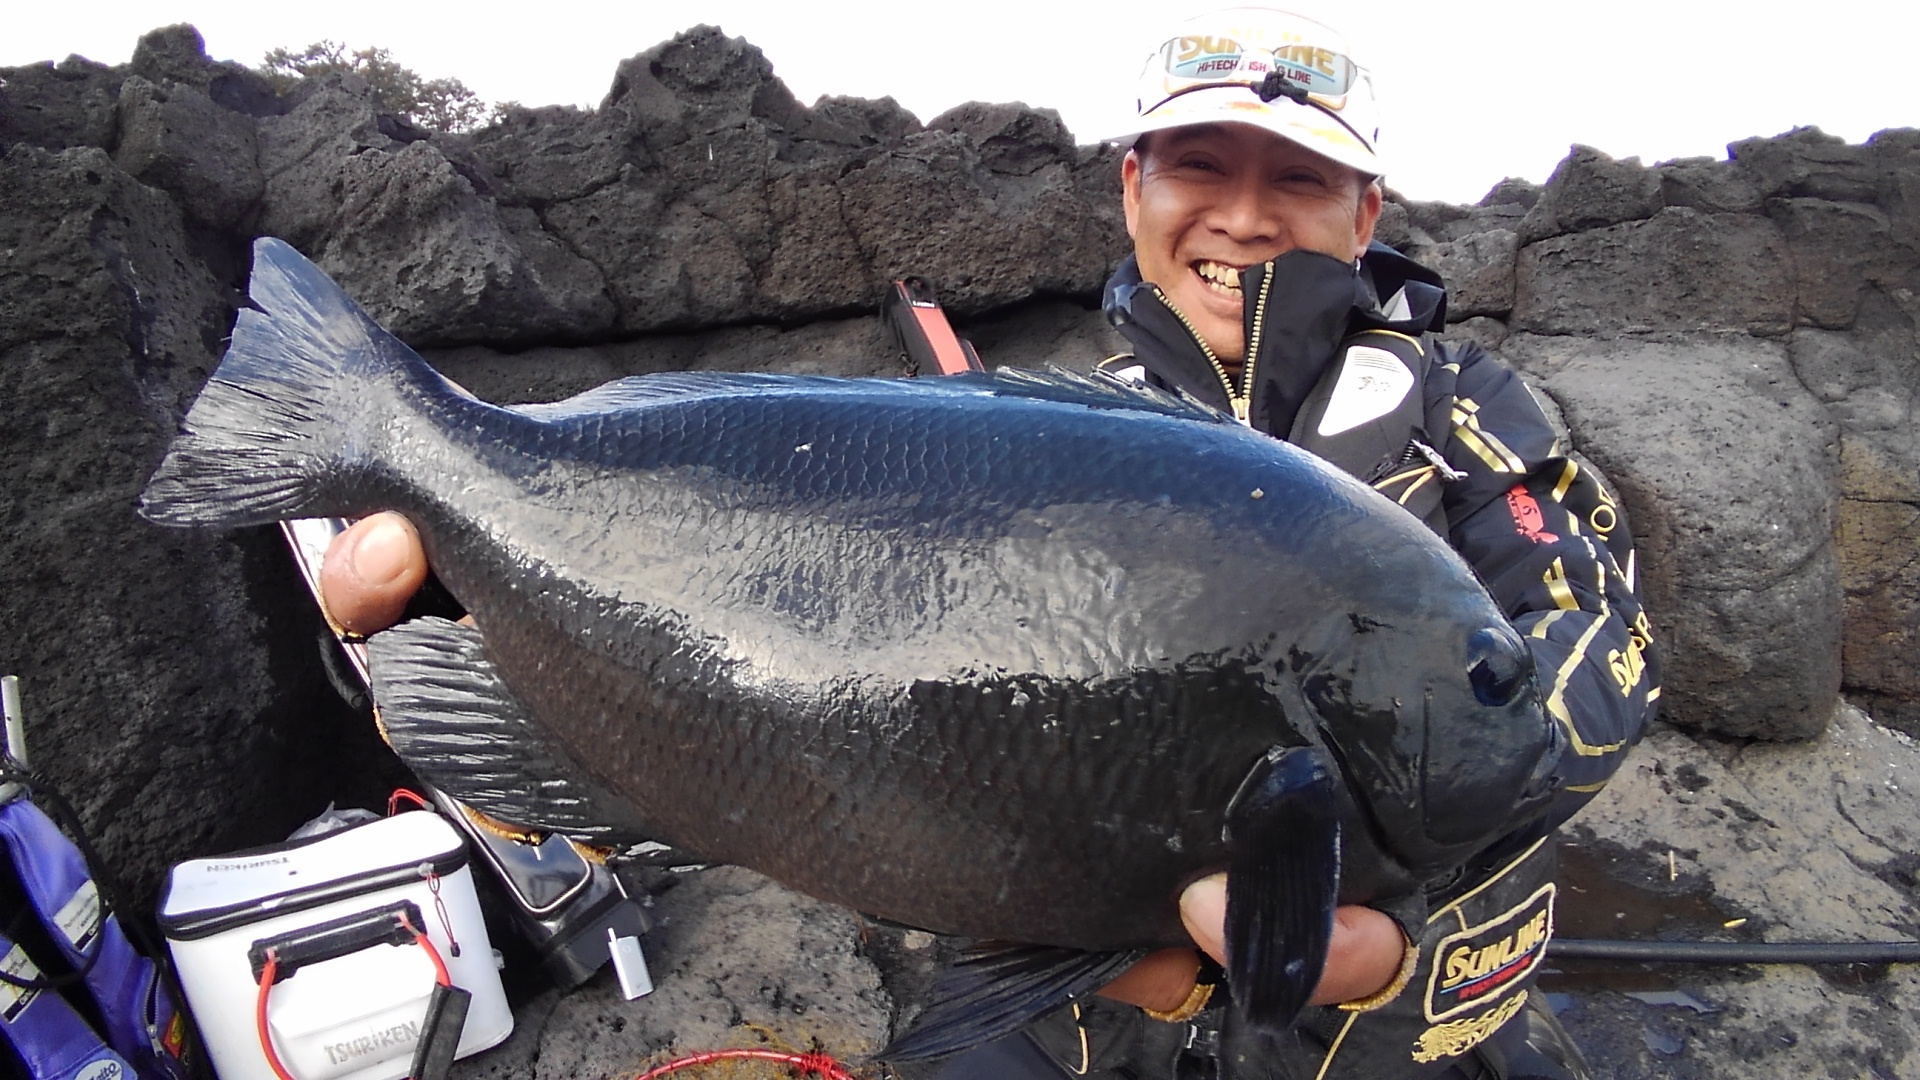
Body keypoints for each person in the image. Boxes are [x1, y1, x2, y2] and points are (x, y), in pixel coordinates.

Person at [318, 7, 1658, 1077]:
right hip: (1090, 1023)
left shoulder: (1474, 417)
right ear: (1133, 189)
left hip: (1400, 1029)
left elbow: (1598, 651)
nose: (1245, 215)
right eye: (1201, 165)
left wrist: (1411, 885)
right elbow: (851, 671)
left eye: (1299, 178)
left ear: (1366, 215)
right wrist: (558, 714)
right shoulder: (1077, 431)